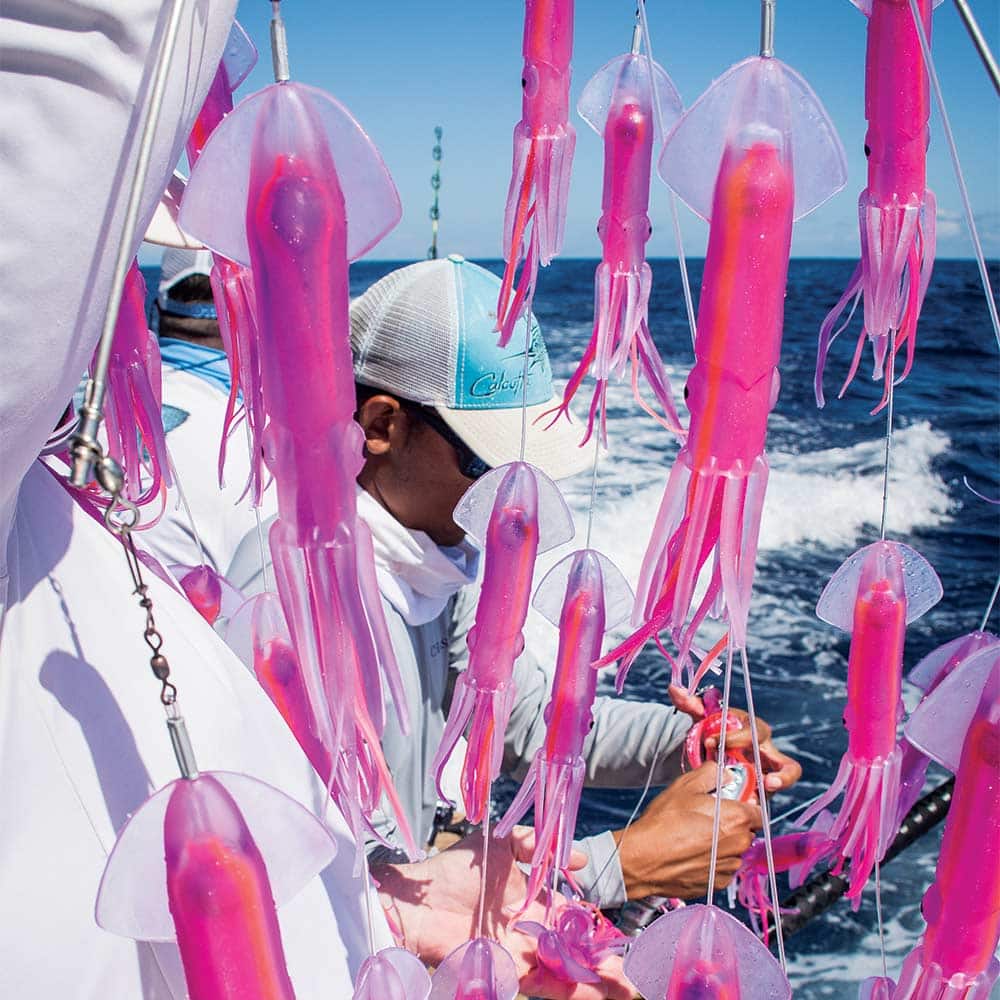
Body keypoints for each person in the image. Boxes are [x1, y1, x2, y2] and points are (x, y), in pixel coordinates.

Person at [228, 255, 802, 911]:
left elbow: (524, 722)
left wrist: (687, 743)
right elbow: (336, 895)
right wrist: (623, 865)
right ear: (382, 427)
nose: (516, 495)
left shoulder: (444, 559)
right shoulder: (286, 607)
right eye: (491, 461)